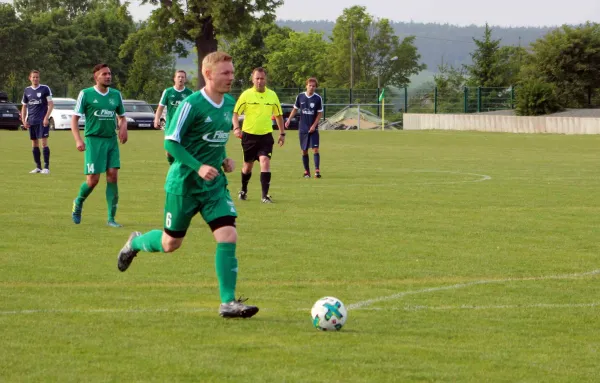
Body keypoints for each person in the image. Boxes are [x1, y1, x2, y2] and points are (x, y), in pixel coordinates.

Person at [116, 51, 259, 319]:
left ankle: (228, 302)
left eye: (232, 72)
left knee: (228, 235)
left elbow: (214, 138)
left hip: (214, 186)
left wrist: (224, 159)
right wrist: (198, 166)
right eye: (225, 73)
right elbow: (170, 142)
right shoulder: (191, 104)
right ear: (208, 74)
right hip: (183, 184)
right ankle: (135, 243)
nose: (231, 77)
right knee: (171, 243)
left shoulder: (229, 104)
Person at [70, 63, 128, 227]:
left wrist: (123, 127)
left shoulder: (116, 95)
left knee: (112, 176)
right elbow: (74, 119)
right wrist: (78, 139)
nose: (108, 76)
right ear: (96, 77)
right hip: (93, 141)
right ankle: (79, 201)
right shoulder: (86, 94)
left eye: (109, 73)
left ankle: (111, 218)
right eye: (104, 74)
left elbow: (122, 117)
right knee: (93, 180)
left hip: (111, 140)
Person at [232, 67, 285, 203]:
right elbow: (235, 113)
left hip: (266, 136)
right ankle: (243, 190)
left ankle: (264, 196)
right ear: (252, 79)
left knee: (265, 161)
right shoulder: (246, 95)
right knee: (247, 166)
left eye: (262, 78)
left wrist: (282, 133)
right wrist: (237, 128)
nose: (260, 81)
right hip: (249, 136)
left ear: (265, 79)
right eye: (257, 78)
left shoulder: (272, 95)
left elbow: (278, 115)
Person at [286, 77, 324, 178]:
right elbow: (295, 109)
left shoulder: (317, 98)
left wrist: (314, 126)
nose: (311, 87)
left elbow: (320, 114)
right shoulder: (300, 96)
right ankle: (307, 171)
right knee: (304, 150)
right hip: (303, 128)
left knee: (315, 149)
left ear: (315, 87)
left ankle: (317, 171)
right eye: (310, 85)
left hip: (313, 128)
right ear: (306, 86)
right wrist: (289, 119)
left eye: (313, 86)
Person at [21, 70, 54, 174]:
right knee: (34, 143)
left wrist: (46, 118)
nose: (35, 79)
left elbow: (51, 104)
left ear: (39, 78)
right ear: (30, 78)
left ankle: (46, 168)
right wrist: (23, 119)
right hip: (31, 121)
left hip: (42, 121)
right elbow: (24, 106)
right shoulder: (27, 90)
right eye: (33, 77)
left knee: (44, 143)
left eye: (37, 77)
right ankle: (38, 167)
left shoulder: (45, 88)